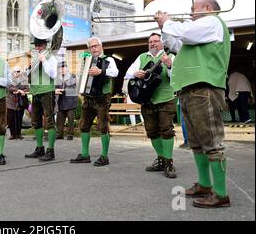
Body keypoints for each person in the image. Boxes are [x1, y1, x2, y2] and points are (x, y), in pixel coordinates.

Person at [157, 0, 231, 208]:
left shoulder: (212, 21)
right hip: (191, 88)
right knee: (197, 143)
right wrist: (164, 27)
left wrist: (168, 22)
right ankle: (205, 185)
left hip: (204, 88)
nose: (190, 13)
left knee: (211, 143)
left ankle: (221, 193)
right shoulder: (199, 30)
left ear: (207, 8)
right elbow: (175, 44)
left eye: (193, 9)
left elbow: (185, 32)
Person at [125, 33, 177, 178]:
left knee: (166, 130)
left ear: (162, 43)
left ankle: (168, 162)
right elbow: (128, 73)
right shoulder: (142, 57)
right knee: (152, 131)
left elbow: (177, 78)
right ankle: (161, 159)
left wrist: (169, 65)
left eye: (156, 41)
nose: (153, 43)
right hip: (147, 99)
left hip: (165, 99)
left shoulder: (170, 57)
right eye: (150, 42)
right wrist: (136, 73)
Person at [70, 37, 118, 166]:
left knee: (103, 126)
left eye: (96, 46)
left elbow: (115, 72)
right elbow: (83, 76)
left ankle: (104, 156)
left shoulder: (109, 60)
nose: (94, 48)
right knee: (84, 125)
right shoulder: (87, 60)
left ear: (101, 46)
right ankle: (85, 154)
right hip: (88, 96)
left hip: (102, 97)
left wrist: (101, 71)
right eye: (91, 47)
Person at [25, 38, 58, 162]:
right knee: (36, 122)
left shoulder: (51, 58)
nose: (38, 48)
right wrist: (28, 70)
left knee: (49, 121)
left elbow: (53, 74)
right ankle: (39, 148)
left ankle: (51, 151)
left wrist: (44, 60)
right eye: (36, 46)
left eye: (40, 45)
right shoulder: (34, 60)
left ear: (45, 45)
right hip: (36, 92)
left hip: (47, 92)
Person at [55, 61, 78, 140]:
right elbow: (54, 87)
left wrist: (64, 90)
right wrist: (56, 90)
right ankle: (59, 134)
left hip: (71, 101)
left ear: (67, 68)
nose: (62, 69)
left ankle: (70, 134)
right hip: (61, 101)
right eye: (60, 68)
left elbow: (74, 89)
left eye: (63, 67)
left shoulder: (73, 76)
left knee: (70, 119)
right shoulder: (57, 78)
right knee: (59, 119)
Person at [6, 66, 29, 140]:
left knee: (19, 118)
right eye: (15, 71)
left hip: (20, 101)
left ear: (20, 72)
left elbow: (27, 88)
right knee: (11, 119)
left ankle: (19, 134)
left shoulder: (24, 79)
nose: (16, 73)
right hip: (11, 102)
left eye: (18, 71)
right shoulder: (9, 78)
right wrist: (19, 90)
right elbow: (9, 87)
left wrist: (23, 92)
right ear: (13, 72)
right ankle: (12, 134)